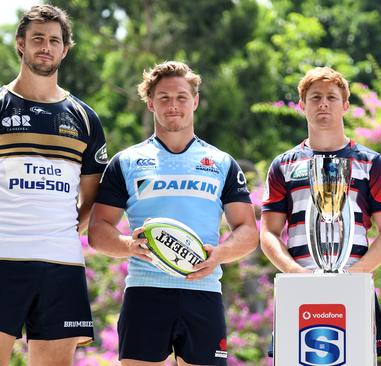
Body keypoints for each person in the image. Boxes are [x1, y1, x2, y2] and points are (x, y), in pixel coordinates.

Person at [88, 61, 258, 366]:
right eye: (164, 97)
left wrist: (219, 254)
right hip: (145, 292)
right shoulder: (126, 162)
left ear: (195, 101)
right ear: (151, 102)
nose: (173, 105)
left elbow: (247, 229)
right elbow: (98, 230)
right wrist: (129, 245)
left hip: (203, 293)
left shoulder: (220, 162)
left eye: (181, 97)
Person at [260, 66, 381, 356]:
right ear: (302, 106)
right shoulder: (283, 165)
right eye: (315, 98)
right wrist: (294, 273)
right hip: (298, 291)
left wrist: (354, 275)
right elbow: (268, 233)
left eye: (331, 97)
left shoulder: (371, 163)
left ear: (345, 105)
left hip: (355, 290)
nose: (323, 103)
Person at [0, 5, 107, 366]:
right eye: (37, 39)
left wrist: (57, 230)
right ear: (20, 44)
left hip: (62, 264)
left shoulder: (84, 118)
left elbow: (92, 200)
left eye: (54, 40)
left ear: (65, 49)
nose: (45, 46)